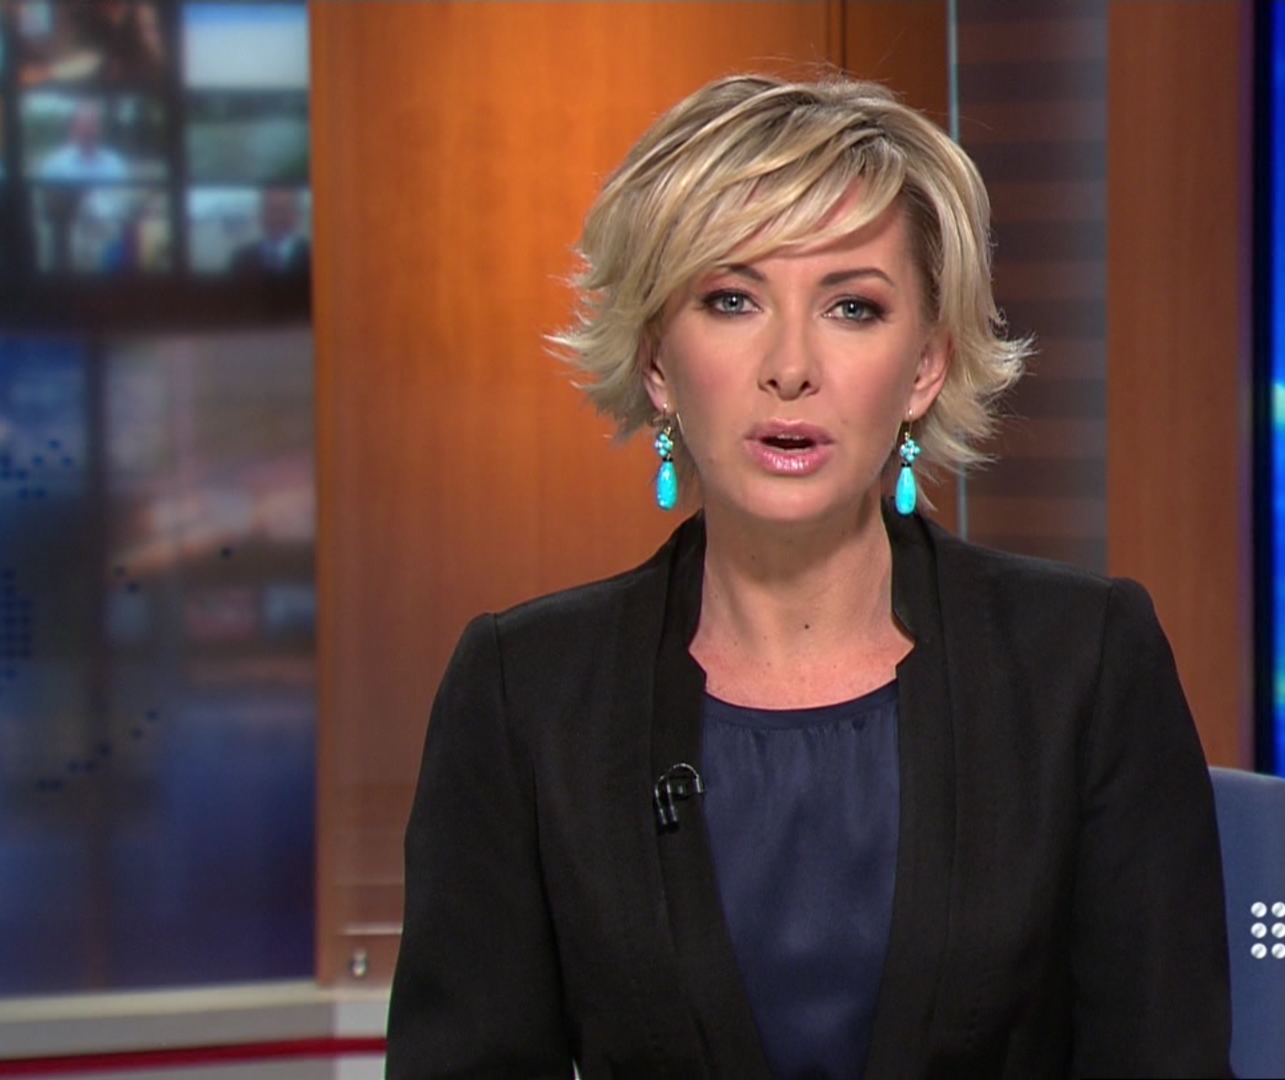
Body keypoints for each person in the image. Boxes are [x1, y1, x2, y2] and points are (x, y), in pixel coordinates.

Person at [386, 74, 1232, 1080]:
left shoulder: (1080, 665)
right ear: (657, 361)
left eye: (852, 307)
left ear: (925, 366)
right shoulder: (525, 691)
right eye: (732, 300)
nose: (790, 366)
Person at [36, 99, 128, 181]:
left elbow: (123, 193)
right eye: (83, 126)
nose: (88, 131)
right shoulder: (55, 164)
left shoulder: (115, 163)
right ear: (73, 129)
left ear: (100, 130)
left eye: (93, 125)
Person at [228, 187, 310, 277]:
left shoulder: (315, 256)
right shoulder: (241, 258)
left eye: (284, 209)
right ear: (260, 214)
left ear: (297, 215)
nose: (276, 217)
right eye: (271, 209)